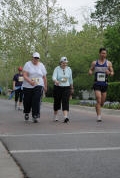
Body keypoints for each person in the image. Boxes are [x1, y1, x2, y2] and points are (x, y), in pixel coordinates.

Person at [88, 48, 114, 122]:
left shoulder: (108, 63)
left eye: (105, 53)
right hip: (97, 84)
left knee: (102, 102)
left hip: (104, 84)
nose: (103, 55)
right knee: (98, 99)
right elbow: (91, 69)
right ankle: (99, 117)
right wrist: (90, 72)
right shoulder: (94, 63)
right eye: (102, 53)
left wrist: (109, 73)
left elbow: (112, 73)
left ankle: (98, 106)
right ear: (99, 54)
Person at [22, 52, 47, 123]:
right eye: (35, 58)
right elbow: (24, 75)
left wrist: (45, 86)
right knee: (27, 101)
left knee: (36, 100)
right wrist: (30, 81)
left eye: (37, 58)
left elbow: (44, 77)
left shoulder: (41, 65)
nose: (36, 59)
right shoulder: (27, 64)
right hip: (27, 85)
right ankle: (26, 112)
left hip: (39, 85)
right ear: (32, 58)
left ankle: (35, 116)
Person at [52, 56, 74, 123]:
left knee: (65, 101)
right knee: (57, 102)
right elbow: (54, 77)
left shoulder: (69, 69)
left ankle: (65, 117)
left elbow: (70, 79)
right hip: (58, 87)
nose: (65, 64)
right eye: (63, 63)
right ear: (60, 63)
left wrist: (72, 87)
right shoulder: (57, 69)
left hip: (66, 87)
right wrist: (56, 81)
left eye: (66, 63)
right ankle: (56, 115)